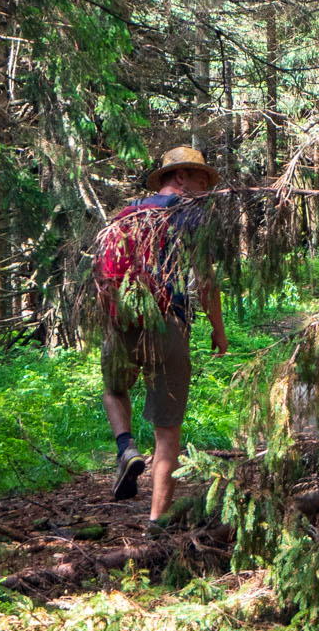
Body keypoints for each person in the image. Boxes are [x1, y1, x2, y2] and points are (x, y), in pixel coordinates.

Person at [97, 146, 229, 525]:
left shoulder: (128, 213)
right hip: (169, 322)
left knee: (113, 389)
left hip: (122, 320)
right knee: (167, 433)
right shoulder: (192, 216)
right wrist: (218, 332)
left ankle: (125, 448)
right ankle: (156, 525)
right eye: (201, 178)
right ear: (181, 177)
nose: (206, 186)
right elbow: (205, 282)